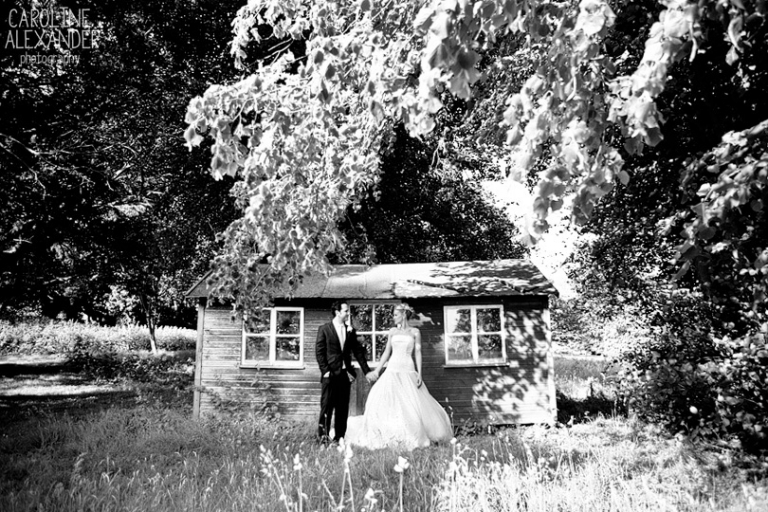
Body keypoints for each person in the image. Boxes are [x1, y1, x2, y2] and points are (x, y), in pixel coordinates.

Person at [344, 303, 453, 450]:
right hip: (393, 369)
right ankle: (390, 433)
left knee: (411, 403)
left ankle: (413, 433)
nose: (393, 317)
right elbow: (387, 352)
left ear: (403, 315)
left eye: (395, 315)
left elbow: (418, 352)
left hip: (408, 369)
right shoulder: (392, 332)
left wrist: (419, 373)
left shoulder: (415, 332)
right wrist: (377, 370)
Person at [316, 300, 378, 443]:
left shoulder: (350, 331)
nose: (348, 313)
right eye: (345, 311)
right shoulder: (324, 329)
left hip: (345, 375)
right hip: (330, 375)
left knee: (342, 408)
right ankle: (323, 439)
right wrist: (325, 371)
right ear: (337, 312)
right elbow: (319, 352)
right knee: (326, 407)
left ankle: (339, 438)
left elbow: (358, 352)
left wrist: (367, 371)